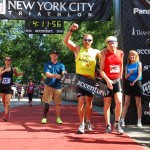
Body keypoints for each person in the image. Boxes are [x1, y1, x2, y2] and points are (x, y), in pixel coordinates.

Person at [64, 23, 101, 134]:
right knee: (81, 102)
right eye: (85, 39)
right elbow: (66, 41)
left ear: (92, 41)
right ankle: (82, 124)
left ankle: (88, 121)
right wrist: (71, 30)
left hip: (90, 80)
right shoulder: (78, 49)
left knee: (89, 103)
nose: (87, 42)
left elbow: (106, 56)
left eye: (89, 40)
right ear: (82, 40)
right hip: (80, 79)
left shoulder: (96, 52)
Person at [100, 36, 124, 134]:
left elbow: (121, 65)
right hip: (106, 80)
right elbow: (101, 70)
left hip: (117, 80)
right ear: (107, 45)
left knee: (119, 101)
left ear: (117, 44)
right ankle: (108, 124)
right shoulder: (104, 54)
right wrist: (108, 80)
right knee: (107, 103)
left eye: (114, 43)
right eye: (110, 44)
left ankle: (117, 123)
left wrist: (121, 75)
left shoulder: (121, 53)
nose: (112, 45)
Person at [41, 50, 66, 124]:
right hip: (48, 86)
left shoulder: (61, 65)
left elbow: (63, 72)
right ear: (50, 55)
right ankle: (44, 118)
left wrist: (64, 73)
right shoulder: (47, 64)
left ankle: (58, 118)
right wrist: (55, 76)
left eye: (56, 54)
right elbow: (47, 74)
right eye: (53, 54)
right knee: (46, 102)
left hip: (58, 86)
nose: (55, 56)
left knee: (58, 104)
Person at [121, 50, 143, 128]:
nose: (132, 57)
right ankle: (122, 120)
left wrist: (134, 81)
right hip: (128, 84)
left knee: (138, 104)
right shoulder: (127, 65)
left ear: (136, 56)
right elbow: (126, 77)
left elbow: (140, 75)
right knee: (126, 103)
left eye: (133, 55)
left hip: (137, 83)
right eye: (130, 55)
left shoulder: (139, 64)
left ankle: (139, 121)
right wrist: (130, 73)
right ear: (129, 57)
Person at [0, 56, 23, 121]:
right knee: (4, 102)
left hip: (9, 87)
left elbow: (16, 74)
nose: (7, 61)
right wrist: (5, 70)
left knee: (7, 101)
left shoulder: (13, 69)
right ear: (4, 61)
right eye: (6, 60)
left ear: (10, 61)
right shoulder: (2, 68)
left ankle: (6, 116)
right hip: (2, 86)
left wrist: (20, 74)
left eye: (9, 60)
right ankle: (7, 112)